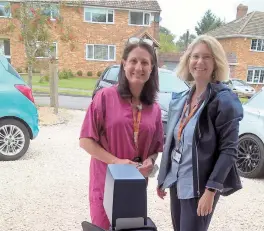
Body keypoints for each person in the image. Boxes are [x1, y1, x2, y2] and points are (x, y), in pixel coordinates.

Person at [157, 35, 244, 231]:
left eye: (207, 57)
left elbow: (229, 150)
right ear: (188, 61)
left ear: (216, 63)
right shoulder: (183, 99)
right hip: (178, 182)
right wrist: (164, 177)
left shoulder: (224, 101)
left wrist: (211, 190)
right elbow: (174, 143)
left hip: (200, 188)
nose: (199, 62)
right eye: (195, 56)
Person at [79, 37, 164, 230]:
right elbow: (85, 141)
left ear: (151, 69)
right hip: (106, 183)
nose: (138, 67)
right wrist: (117, 162)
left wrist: (151, 160)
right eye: (133, 61)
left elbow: (154, 149)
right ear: (124, 64)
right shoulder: (105, 97)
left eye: (145, 63)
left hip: (135, 187)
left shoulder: (155, 109)